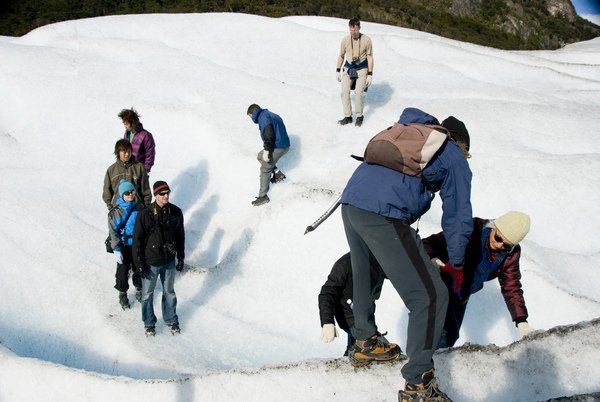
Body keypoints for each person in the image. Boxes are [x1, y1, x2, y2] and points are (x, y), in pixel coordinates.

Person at [340, 108, 472, 401]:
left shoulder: (406, 130)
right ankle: (419, 385)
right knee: (431, 296)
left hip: (351, 203)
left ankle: (364, 341)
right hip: (383, 213)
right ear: (460, 143)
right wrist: (458, 263)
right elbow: (458, 214)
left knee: (367, 271)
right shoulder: (452, 153)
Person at [424, 211, 534, 348]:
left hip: (462, 295)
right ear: (494, 227)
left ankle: (434, 366)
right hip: (441, 289)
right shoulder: (470, 229)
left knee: (451, 337)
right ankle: (422, 366)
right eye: (499, 238)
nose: (500, 246)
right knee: (439, 336)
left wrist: (521, 320)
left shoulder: (511, 254)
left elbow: (511, 286)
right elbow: (430, 243)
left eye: (507, 246)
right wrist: (433, 258)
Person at [318, 252, 401, 360]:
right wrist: (327, 322)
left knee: (354, 347)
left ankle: (350, 357)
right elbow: (327, 293)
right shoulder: (345, 265)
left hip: (366, 315)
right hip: (349, 316)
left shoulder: (380, 256)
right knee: (370, 348)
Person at [133, 181, 185, 336]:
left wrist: (181, 256)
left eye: (167, 192)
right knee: (147, 294)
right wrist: (139, 264)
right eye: (162, 194)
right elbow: (137, 240)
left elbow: (180, 236)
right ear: (155, 195)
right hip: (151, 262)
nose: (166, 196)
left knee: (169, 291)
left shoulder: (175, 212)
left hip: (168, 260)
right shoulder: (145, 213)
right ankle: (149, 323)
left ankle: (171, 320)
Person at [108, 179, 144, 309]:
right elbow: (113, 232)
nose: (130, 194)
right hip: (123, 245)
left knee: (139, 268)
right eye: (127, 192)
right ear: (121, 194)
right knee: (122, 271)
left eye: (132, 192)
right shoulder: (116, 212)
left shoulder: (139, 208)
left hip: (137, 244)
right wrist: (116, 249)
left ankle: (139, 289)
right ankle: (122, 293)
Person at [247, 104, 291, 206]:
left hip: (278, 147)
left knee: (265, 169)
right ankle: (277, 173)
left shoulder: (264, 118)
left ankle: (263, 197)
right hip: (283, 145)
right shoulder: (269, 114)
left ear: (253, 112)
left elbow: (269, 135)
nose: (251, 119)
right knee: (260, 156)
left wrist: (267, 151)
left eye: (250, 116)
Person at [336, 17, 374, 127]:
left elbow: (370, 57)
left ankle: (359, 116)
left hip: (362, 68)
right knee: (344, 91)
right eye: (351, 30)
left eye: (355, 30)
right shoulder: (345, 40)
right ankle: (348, 116)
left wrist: (370, 74)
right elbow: (341, 56)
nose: (353, 32)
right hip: (349, 68)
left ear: (359, 28)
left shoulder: (367, 40)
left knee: (358, 92)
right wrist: (338, 70)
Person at [102, 139, 151, 210]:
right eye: (124, 152)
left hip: (137, 208)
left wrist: (146, 207)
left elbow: (146, 190)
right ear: (118, 152)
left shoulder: (139, 167)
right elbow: (107, 190)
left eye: (129, 151)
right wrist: (110, 206)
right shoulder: (111, 170)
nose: (127, 154)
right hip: (118, 209)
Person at [118, 108, 156, 173]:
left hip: (139, 171)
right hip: (128, 170)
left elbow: (150, 155)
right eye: (124, 124)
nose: (125, 126)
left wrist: (145, 171)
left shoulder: (146, 135)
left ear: (132, 122)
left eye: (126, 124)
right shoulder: (127, 133)